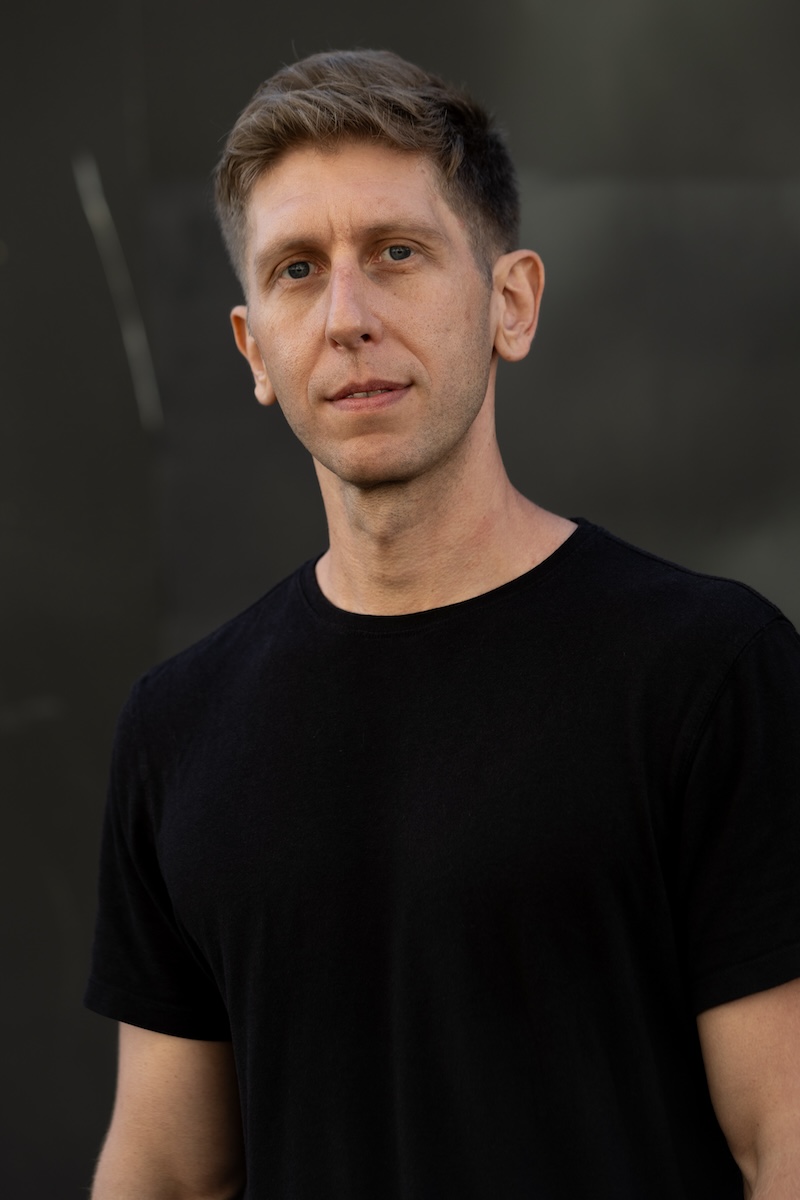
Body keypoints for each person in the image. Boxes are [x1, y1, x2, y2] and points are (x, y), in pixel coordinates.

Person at [85, 48, 800, 1200]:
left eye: (396, 254)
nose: (346, 317)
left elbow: (787, 1140)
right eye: (297, 271)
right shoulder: (178, 729)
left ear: (509, 302)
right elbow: (165, 1173)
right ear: (253, 349)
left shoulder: (707, 674)